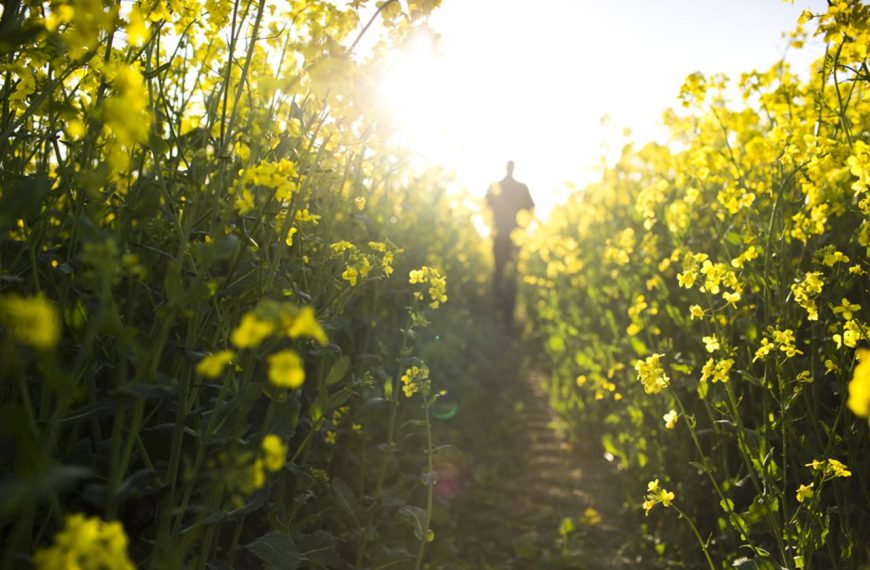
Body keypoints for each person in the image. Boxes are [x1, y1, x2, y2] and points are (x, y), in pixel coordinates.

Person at [485, 160, 534, 323]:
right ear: (512, 169)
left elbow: (485, 205)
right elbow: (531, 209)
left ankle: (497, 308)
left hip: (501, 236)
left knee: (499, 270)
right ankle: (508, 314)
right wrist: (523, 227)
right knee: (511, 272)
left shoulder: (496, 186)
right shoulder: (521, 188)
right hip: (514, 238)